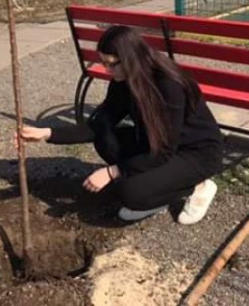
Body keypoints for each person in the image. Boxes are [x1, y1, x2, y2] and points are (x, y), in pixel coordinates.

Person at [20, 25, 223, 224]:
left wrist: (112, 172)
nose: (107, 70)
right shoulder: (123, 81)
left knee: (130, 193)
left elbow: (163, 152)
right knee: (105, 139)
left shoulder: (167, 86)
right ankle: (154, 189)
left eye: (111, 64)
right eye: (103, 63)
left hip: (195, 153)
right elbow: (98, 125)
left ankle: (197, 187)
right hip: (155, 145)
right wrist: (47, 133)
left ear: (131, 59)